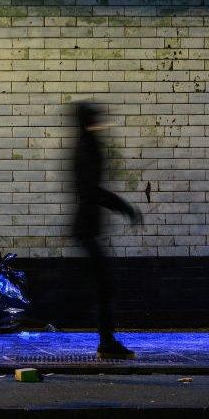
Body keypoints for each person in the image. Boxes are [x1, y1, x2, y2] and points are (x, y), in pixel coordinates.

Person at [71, 101, 143, 359]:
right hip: (86, 225)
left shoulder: (83, 143)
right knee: (105, 283)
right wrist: (123, 207)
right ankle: (106, 342)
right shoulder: (87, 145)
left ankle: (107, 340)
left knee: (103, 282)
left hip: (86, 225)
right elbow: (90, 189)